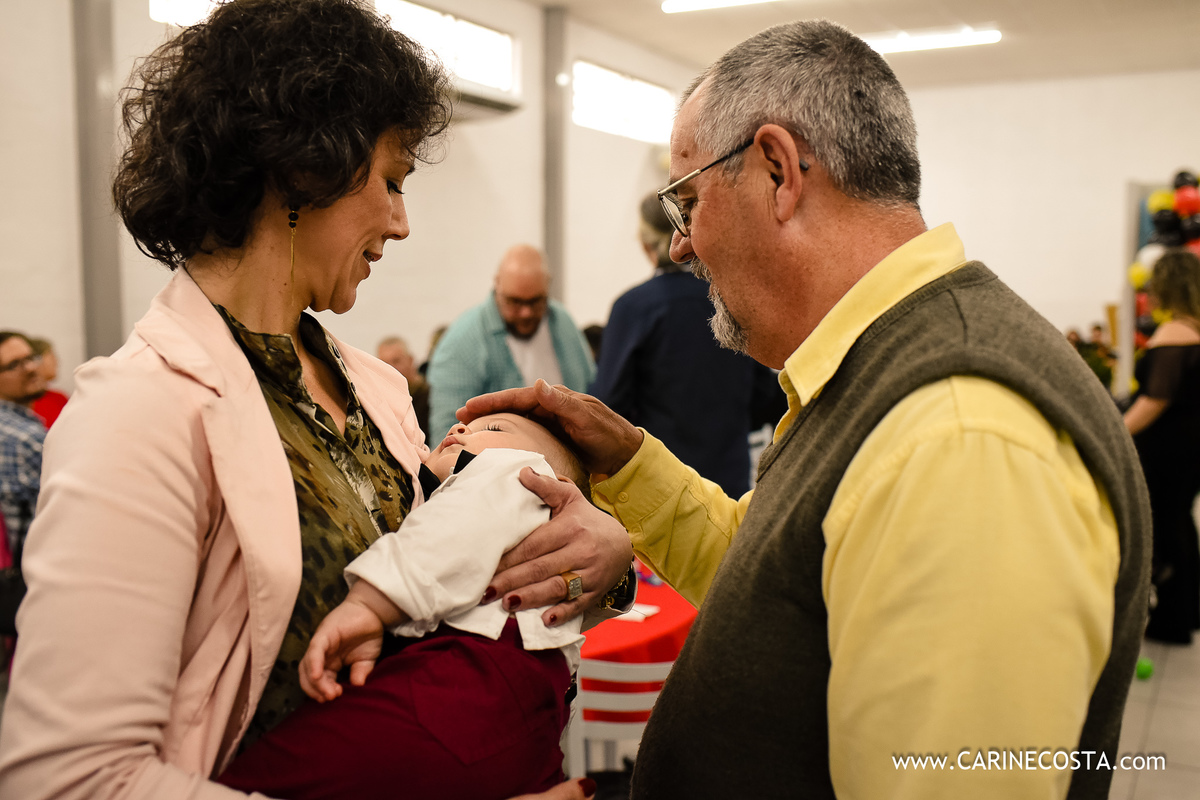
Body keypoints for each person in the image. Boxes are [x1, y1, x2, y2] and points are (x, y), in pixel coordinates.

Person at [463, 19, 1150, 800]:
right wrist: (629, 459)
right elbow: (783, 584)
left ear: (778, 172)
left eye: (688, 203)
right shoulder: (876, 372)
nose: (681, 247)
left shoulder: (959, 440)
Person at [0, 3, 620, 799]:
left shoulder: (374, 388)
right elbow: (68, 779)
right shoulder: (139, 415)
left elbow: (461, 562)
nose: (401, 224)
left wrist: (600, 560)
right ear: (305, 166)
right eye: (392, 181)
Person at [218, 413, 597, 799]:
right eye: (461, 426)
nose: (459, 428)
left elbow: (447, 532)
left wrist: (368, 605)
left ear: (560, 488)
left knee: (274, 776)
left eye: (493, 429)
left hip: (461, 688)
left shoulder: (524, 474)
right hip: (533, 728)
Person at [590, 192, 785, 496]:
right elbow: (761, 394)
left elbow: (607, 406)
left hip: (661, 487)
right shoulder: (731, 299)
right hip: (728, 485)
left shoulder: (634, 308)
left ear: (646, 244)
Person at [427, 245, 595, 437]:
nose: (526, 312)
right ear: (497, 284)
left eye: (536, 301)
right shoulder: (462, 341)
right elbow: (446, 434)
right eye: (515, 301)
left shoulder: (562, 321)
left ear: (548, 284)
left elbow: (590, 390)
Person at [1124, 249, 1200, 644]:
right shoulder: (1195, 328)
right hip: (1190, 445)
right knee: (1181, 521)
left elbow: (1155, 398)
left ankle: (1171, 620)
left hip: (1168, 447)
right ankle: (1188, 610)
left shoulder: (1173, 335)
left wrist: (1116, 431)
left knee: (1164, 524)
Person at [0, 331, 47, 562]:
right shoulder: (25, 437)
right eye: (14, 365)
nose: (29, 368)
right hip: (27, 576)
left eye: (30, 358)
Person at [378, 335, 430, 442]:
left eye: (396, 361)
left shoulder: (430, 396)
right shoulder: (380, 402)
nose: (390, 368)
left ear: (410, 360)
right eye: (384, 363)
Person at [26, 338, 69, 429]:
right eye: (52, 356)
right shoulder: (26, 401)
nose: (57, 361)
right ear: (36, 360)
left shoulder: (59, 398)